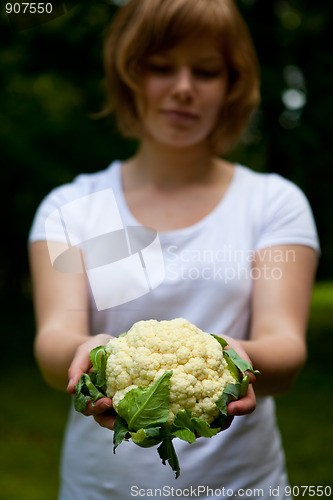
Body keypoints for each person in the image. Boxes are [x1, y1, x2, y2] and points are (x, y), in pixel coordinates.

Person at [28, 1, 319, 499]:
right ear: (129, 76)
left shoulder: (273, 203)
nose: (183, 88)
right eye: (161, 67)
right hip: (101, 487)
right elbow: (54, 335)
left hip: (243, 487)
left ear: (231, 85)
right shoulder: (72, 207)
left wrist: (238, 359)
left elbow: (286, 346)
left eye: (205, 71)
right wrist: (85, 354)